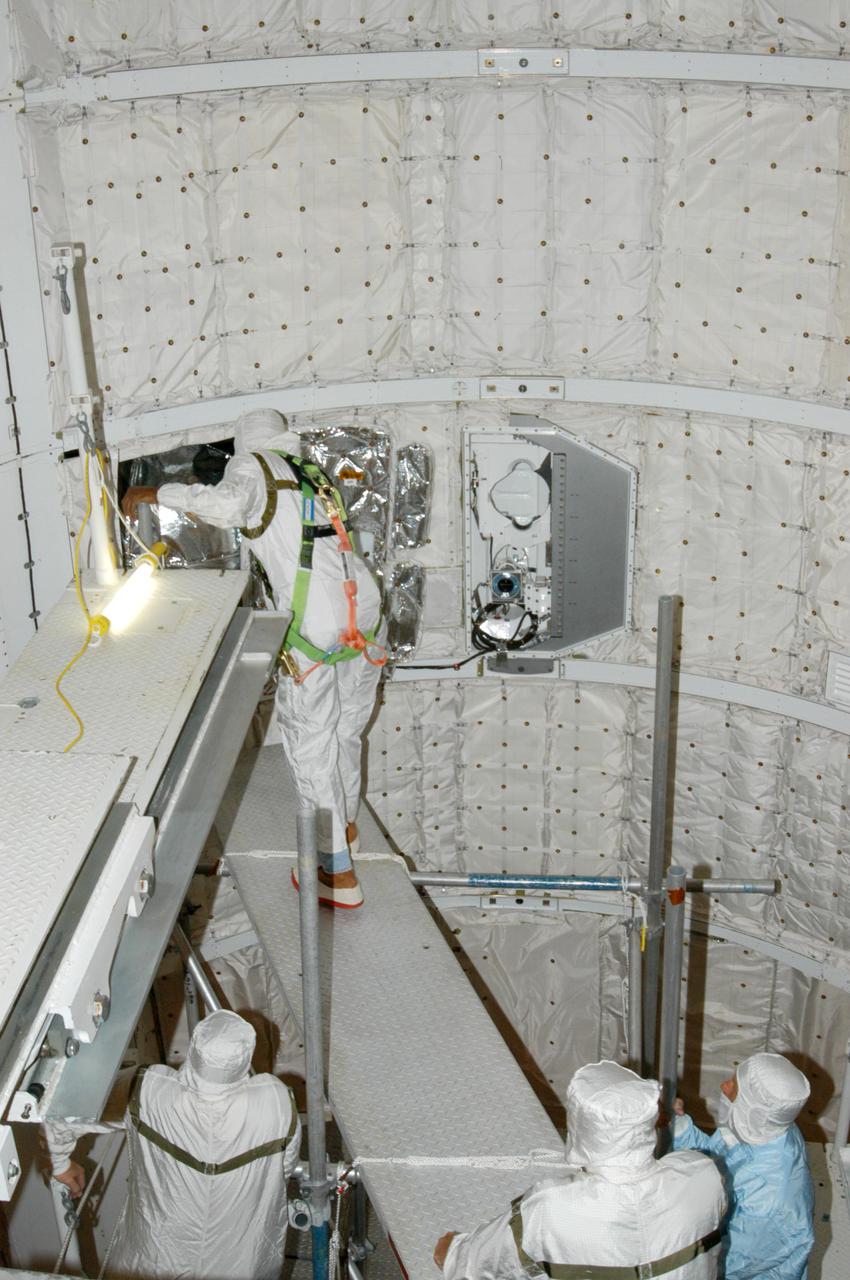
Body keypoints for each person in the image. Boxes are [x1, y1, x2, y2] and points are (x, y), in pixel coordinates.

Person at [124, 408, 384, 909]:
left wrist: (156, 493)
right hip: (364, 613)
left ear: (245, 443)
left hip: (317, 625)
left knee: (311, 742)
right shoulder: (309, 473)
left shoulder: (255, 466)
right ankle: (345, 830)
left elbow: (227, 505)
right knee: (346, 731)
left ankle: (337, 874)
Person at [46, 1010, 301, 1280]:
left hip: (154, 1258)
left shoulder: (148, 1090)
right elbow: (283, 1171)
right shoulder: (277, 1106)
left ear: (194, 1048)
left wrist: (61, 1164)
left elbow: (69, 1111)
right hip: (239, 1263)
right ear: (246, 1057)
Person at [434, 1060, 726, 1279]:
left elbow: (472, 1264)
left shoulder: (550, 1208)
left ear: (579, 1126)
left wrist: (453, 1249)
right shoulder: (705, 1175)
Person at [673, 1052, 814, 1280]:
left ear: (755, 1109)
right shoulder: (762, 1130)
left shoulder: (768, 1203)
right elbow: (711, 1159)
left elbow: (723, 1265)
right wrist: (677, 1125)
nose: (724, 1087)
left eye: (734, 1087)